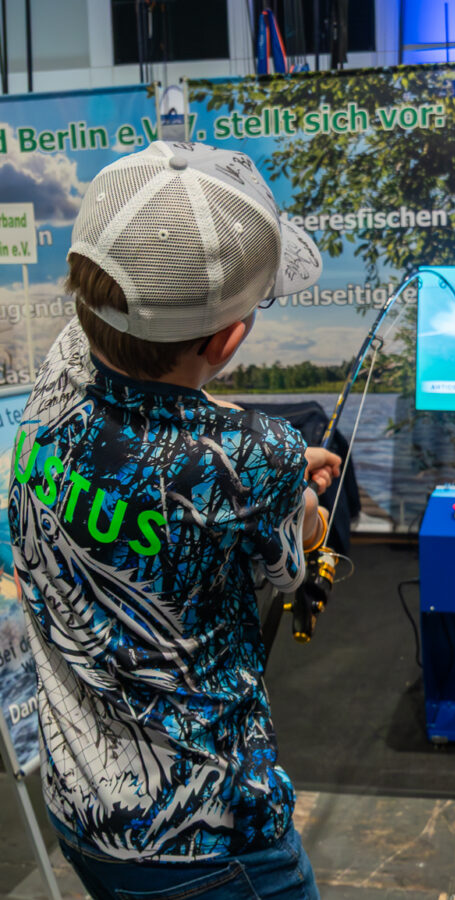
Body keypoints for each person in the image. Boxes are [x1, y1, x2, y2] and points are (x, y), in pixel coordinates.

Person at [6, 141, 341, 899]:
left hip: (82, 810)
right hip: (210, 847)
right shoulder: (260, 455)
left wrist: (257, 463)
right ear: (228, 339)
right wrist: (298, 498)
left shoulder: (61, 368)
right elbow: (293, 562)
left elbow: (160, 399)